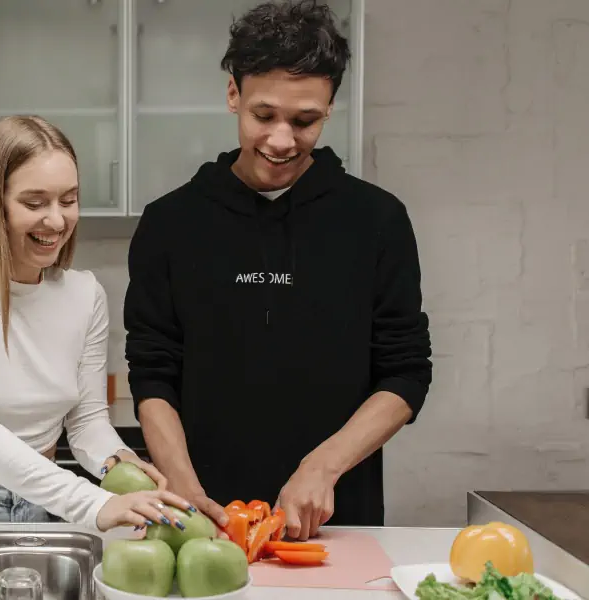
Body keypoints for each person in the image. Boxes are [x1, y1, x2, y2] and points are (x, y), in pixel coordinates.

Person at [124, 0, 433, 541]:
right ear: (233, 95)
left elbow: (406, 373)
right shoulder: (170, 223)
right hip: (204, 525)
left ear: (330, 108)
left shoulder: (377, 220)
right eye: (263, 115)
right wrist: (183, 483)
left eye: (304, 120)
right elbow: (152, 372)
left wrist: (324, 467)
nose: (282, 140)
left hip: (334, 524)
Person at [0, 115, 195, 532]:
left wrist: (118, 462)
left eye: (68, 200)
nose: (57, 221)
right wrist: (93, 503)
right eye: (35, 203)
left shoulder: (85, 294)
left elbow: (87, 424)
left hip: (38, 508)